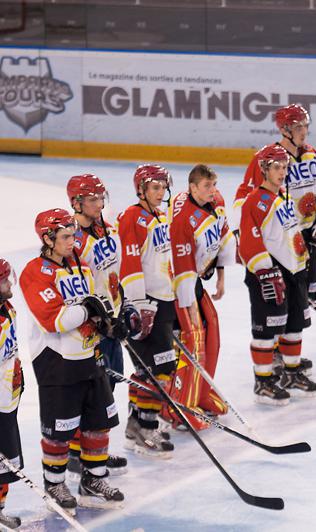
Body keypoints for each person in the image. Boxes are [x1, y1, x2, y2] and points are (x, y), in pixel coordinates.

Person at [21, 209, 126, 511]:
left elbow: (99, 302)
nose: (73, 240)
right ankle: (54, 483)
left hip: (89, 355)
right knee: (60, 429)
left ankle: (93, 481)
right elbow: (54, 319)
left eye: (73, 234)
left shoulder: (81, 264)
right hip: (56, 362)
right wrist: (88, 309)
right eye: (65, 236)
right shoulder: (35, 271)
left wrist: (110, 322)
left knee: (99, 421)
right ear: (48, 239)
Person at [232, 104, 316, 373]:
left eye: (305, 126)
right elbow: (245, 201)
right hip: (278, 242)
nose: (303, 132)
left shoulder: (313, 156)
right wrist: (251, 242)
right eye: (298, 127)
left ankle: (288, 354)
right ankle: (273, 352)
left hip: (303, 241)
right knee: (277, 299)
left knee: (302, 299)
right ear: (284, 129)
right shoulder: (267, 159)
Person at [239, 144, 316, 406]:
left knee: (295, 326)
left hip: (292, 273)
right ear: (264, 169)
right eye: (277, 168)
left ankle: (292, 374)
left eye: (285, 167)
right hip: (268, 275)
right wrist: (265, 271)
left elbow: (290, 235)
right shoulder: (255, 201)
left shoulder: (283, 198)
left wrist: (304, 257)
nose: (282, 172)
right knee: (266, 330)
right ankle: (263, 382)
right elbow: (248, 244)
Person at [66, 174, 130, 479]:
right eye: (92, 199)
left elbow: (114, 272)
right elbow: (77, 291)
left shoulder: (109, 229)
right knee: (91, 392)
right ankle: (76, 452)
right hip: (92, 330)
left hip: (112, 321)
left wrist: (123, 304)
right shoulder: (72, 241)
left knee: (109, 387)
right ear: (76, 203)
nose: (98, 203)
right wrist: (100, 322)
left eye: (100, 198)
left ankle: (93, 449)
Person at [168, 164, 235, 426]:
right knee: (193, 339)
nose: (213, 190)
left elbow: (224, 237)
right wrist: (189, 304)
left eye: (214, 184)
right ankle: (181, 404)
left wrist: (220, 276)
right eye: (207, 186)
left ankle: (201, 392)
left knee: (212, 330)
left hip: (195, 278)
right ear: (192, 187)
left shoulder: (216, 202)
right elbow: (182, 265)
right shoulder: (183, 218)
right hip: (178, 285)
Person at [118, 165, 177, 457]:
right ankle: (146, 427)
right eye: (154, 187)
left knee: (149, 369)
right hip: (146, 303)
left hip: (164, 299)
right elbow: (129, 262)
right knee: (159, 369)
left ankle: (135, 426)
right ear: (140, 189)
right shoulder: (132, 217)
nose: (160, 192)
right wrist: (138, 304)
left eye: (163, 187)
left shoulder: (160, 216)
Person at [0, 258, 23, 529]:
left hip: (8, 394)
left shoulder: (7, 308)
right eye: (4, 280)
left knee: (6, 462)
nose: (9, 284)